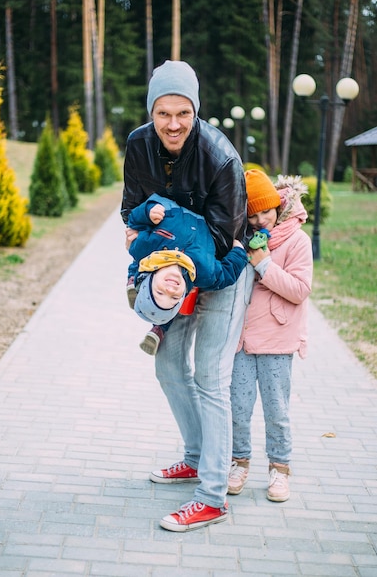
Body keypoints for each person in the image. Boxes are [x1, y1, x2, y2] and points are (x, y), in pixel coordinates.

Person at [121, 59, 253, 532]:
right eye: (162, 113)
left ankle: (213, 496)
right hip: (173, 266)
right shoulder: (138, 145)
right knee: (169, 364)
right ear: (151, 112)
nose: (172, 124)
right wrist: (155, 257)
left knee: (211, 378)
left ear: (196, 111)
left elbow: (223, 241)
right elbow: (129, 211)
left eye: (182, 113)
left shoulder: (222, 158)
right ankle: (197, 458)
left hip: (222, 270)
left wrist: (167, 239)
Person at [228, 170, 313, 502]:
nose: (260, 219)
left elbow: (300, 290)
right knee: (238, 406)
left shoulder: (297, 241)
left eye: (266, 210)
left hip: (277, 340)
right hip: (243, 341)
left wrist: (264, 265)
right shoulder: (242, 240)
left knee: (277, 408)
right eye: (252, 214)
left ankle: (280, 469)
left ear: (278, 205)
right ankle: (239, 463)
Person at [126, 193, 248, 355]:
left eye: (160, 292)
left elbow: (133, 220)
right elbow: (227, 275)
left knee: (137, 260)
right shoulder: (204, 274)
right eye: (174, 298)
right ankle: (159, 327)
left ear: (150, 280)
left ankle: (132, 280)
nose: (170, 291)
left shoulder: (144, 248)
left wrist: (148, 212)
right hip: (207, 212)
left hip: (173, 201)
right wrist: (239, 251)